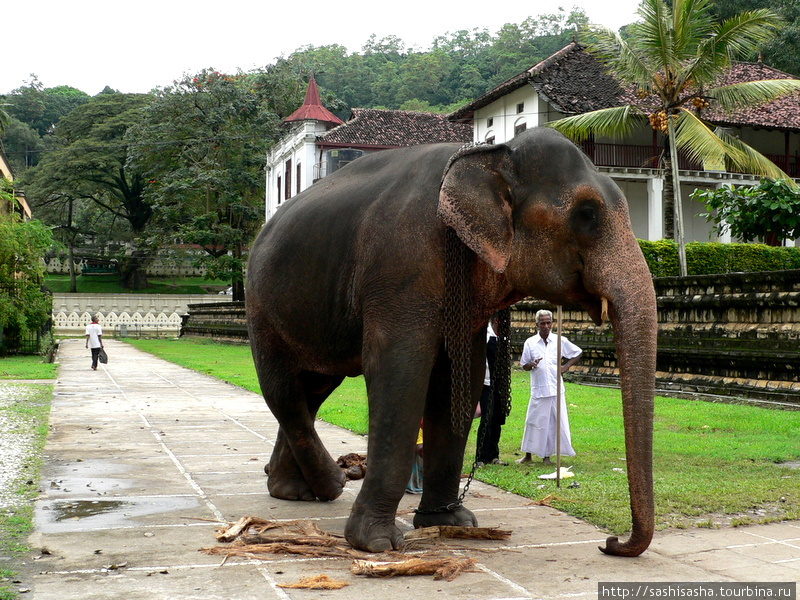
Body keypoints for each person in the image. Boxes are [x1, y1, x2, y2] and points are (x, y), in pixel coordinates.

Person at [517, 309, 582, 465]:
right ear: (537, 324)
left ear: (552, 323)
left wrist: (566, 366)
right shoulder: (530, 343)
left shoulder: (559, 340)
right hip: (539, 388)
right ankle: (528, 455)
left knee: (552, 423)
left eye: (548, 323)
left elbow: (577, 352)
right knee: (533, 421)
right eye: (542, 323)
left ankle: (547, 457)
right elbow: (523, 364)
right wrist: (531, 365)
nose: (546, 326)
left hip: (555, 388)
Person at [476, 314, 508, 467]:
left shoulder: (503, 338)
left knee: (497, 419)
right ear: (497, 321)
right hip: (486, 383)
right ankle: (481, 457)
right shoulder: (486, 336)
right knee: (487, 419)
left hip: (499, 385)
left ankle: (493, 455)